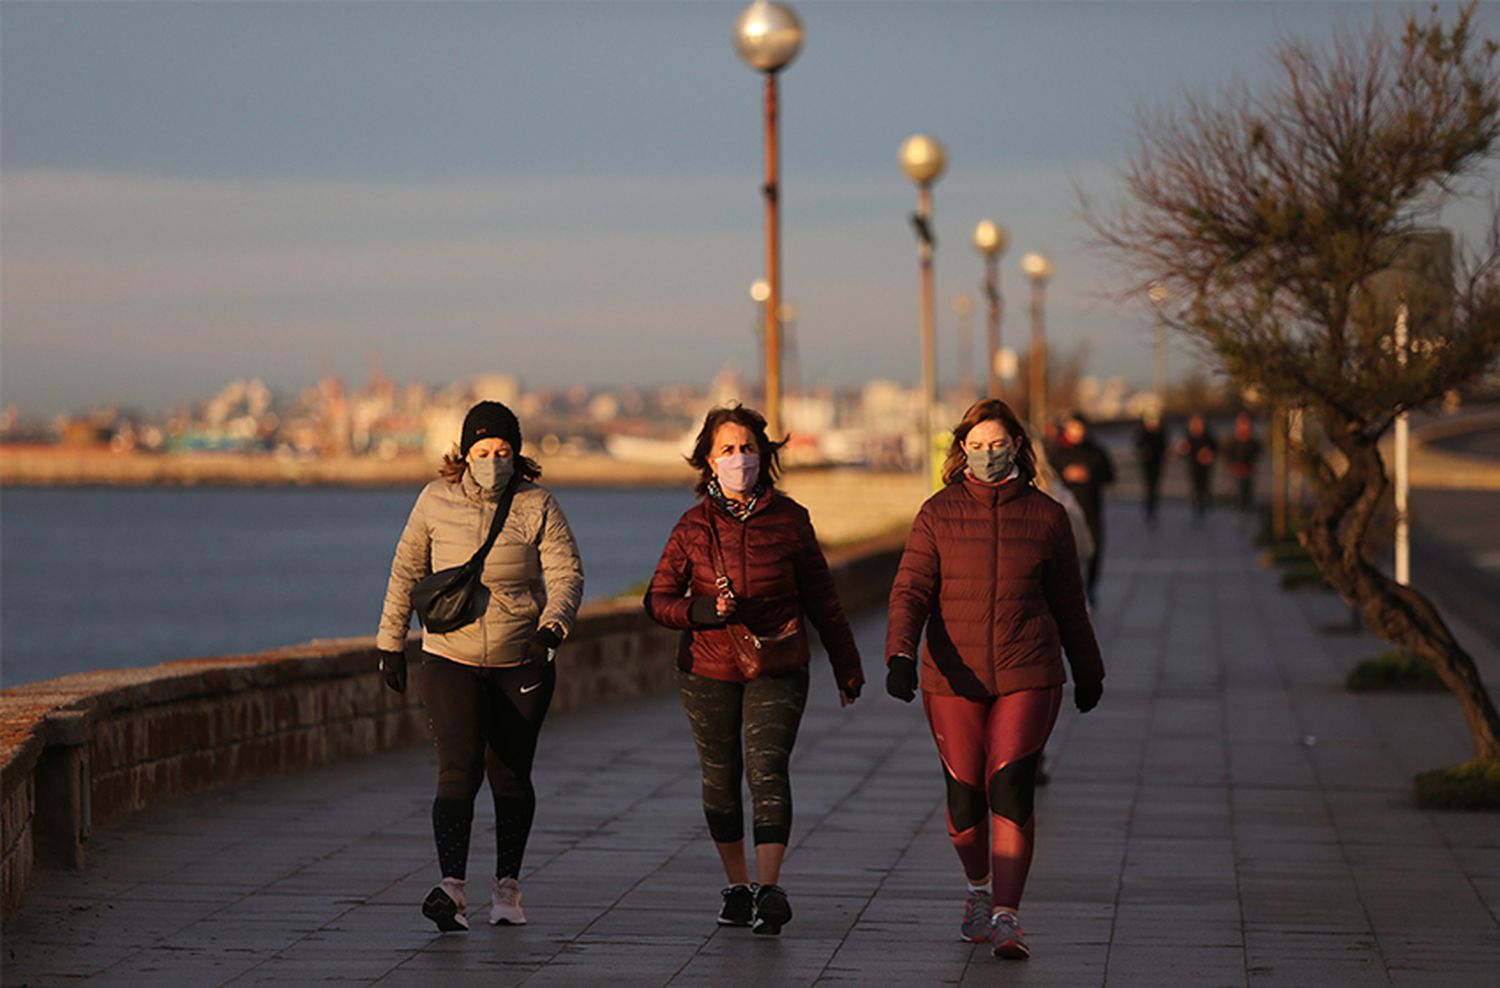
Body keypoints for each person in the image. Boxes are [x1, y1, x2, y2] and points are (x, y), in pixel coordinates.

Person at [884, 399, 1105, 961]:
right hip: (951, 676)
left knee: (1009, 785)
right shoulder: (936, 514)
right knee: (964, 798)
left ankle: (1008, 916)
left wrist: (1088, 669)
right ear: (961, 450)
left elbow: (1069, 603)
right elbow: (910, 591)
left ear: (1017, 447)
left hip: (1027, 668)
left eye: (997, 444)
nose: (987, 455)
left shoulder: (1047, 517)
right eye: (976, 446)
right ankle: (978, 891)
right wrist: (901, 655)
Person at [644, 404, 864, 936]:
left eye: (748, 448)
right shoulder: (692, 526)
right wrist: (700, 612)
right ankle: (737, 886)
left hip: (778, 661)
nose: (739, 458)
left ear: (765, 455)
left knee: (768, 768)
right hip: (707, 667)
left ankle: (770, 889)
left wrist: (847, 665)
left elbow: (824, 598)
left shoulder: (791, 519)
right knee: (720, 778)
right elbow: (657, 599)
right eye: (727, 450)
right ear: (708, 460)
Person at [377, 401, 584, 933]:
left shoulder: (538, 505)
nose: (493, 459)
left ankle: (507, 888)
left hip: (522, 658)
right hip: (450, 656)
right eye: (482, 451)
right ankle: (452, 889)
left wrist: (553, 627)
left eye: (503, 451)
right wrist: (390, 644)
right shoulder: (433, 500)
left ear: (517, 454)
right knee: (458, 769)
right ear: (464, 454)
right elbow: (405, 571)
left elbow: (566, 573)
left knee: (510, 777)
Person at [1049, 412, 1115, 602]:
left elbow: (1110, 476)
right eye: (1073, 428)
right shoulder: (1058, 453)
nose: (1077, 432)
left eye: (1080, 428)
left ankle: (1091, 588)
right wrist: (1067, 475)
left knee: (1095, 549)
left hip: (1092, 508)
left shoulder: (1097, 451)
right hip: (1067, 511)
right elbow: (1049, 478)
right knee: (1069, 553)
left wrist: (1090, 475)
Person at [1133, 410, 1169, 527]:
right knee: (1148, 486)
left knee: (1154, 486)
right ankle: (1149, 507)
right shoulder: (1142, 433)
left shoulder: (1161, 432)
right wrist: (1143, 452)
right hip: (1146, 464)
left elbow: (1164, 447)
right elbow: (1137, 447)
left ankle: (1152, 507)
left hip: (1157, 463)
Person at [1181, 413, 1219, 521]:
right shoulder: (1188, 437)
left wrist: (1208, 454)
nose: (1197, 426)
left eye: (1199, 423)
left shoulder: (1208, 436)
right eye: (1194, 424)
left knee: (1205, 485)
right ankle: (1197, 508)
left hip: (1205, 466)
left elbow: (1215, 448)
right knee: (1195, 487)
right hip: (1193, 465)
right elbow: (1183, 450)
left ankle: (1206, 505)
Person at [1225, 412, 1262, 515]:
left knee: (1248, 492)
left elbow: (1257, 453)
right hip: (1236, 472)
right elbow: (1228, 455)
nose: (1244, 427)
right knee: (1238, 491)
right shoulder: (1233, 441)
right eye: (1242, 424)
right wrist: (1232, 466)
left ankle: (1246, 510)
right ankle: (1239, 510)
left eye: (1247, 424)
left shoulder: (1253, 442)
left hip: (1248, 471)